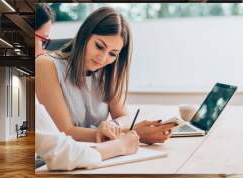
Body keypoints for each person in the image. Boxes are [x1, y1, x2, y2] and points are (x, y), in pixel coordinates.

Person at [36, 7, 176, 145]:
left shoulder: (108, 68)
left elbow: (123, 116)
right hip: (65, 156)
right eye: (99, 46)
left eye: (113, 53)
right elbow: (64, 131)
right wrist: (130, 133)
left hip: (98, 152)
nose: (103, 58)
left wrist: (113, 126)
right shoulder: (46, 65)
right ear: (85, 36)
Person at [36, 96, 140, 170]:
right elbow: (60, 153)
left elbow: (124, 117)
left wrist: (114, 126)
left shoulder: (111, 72)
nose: (102, 63)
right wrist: (120, 146)